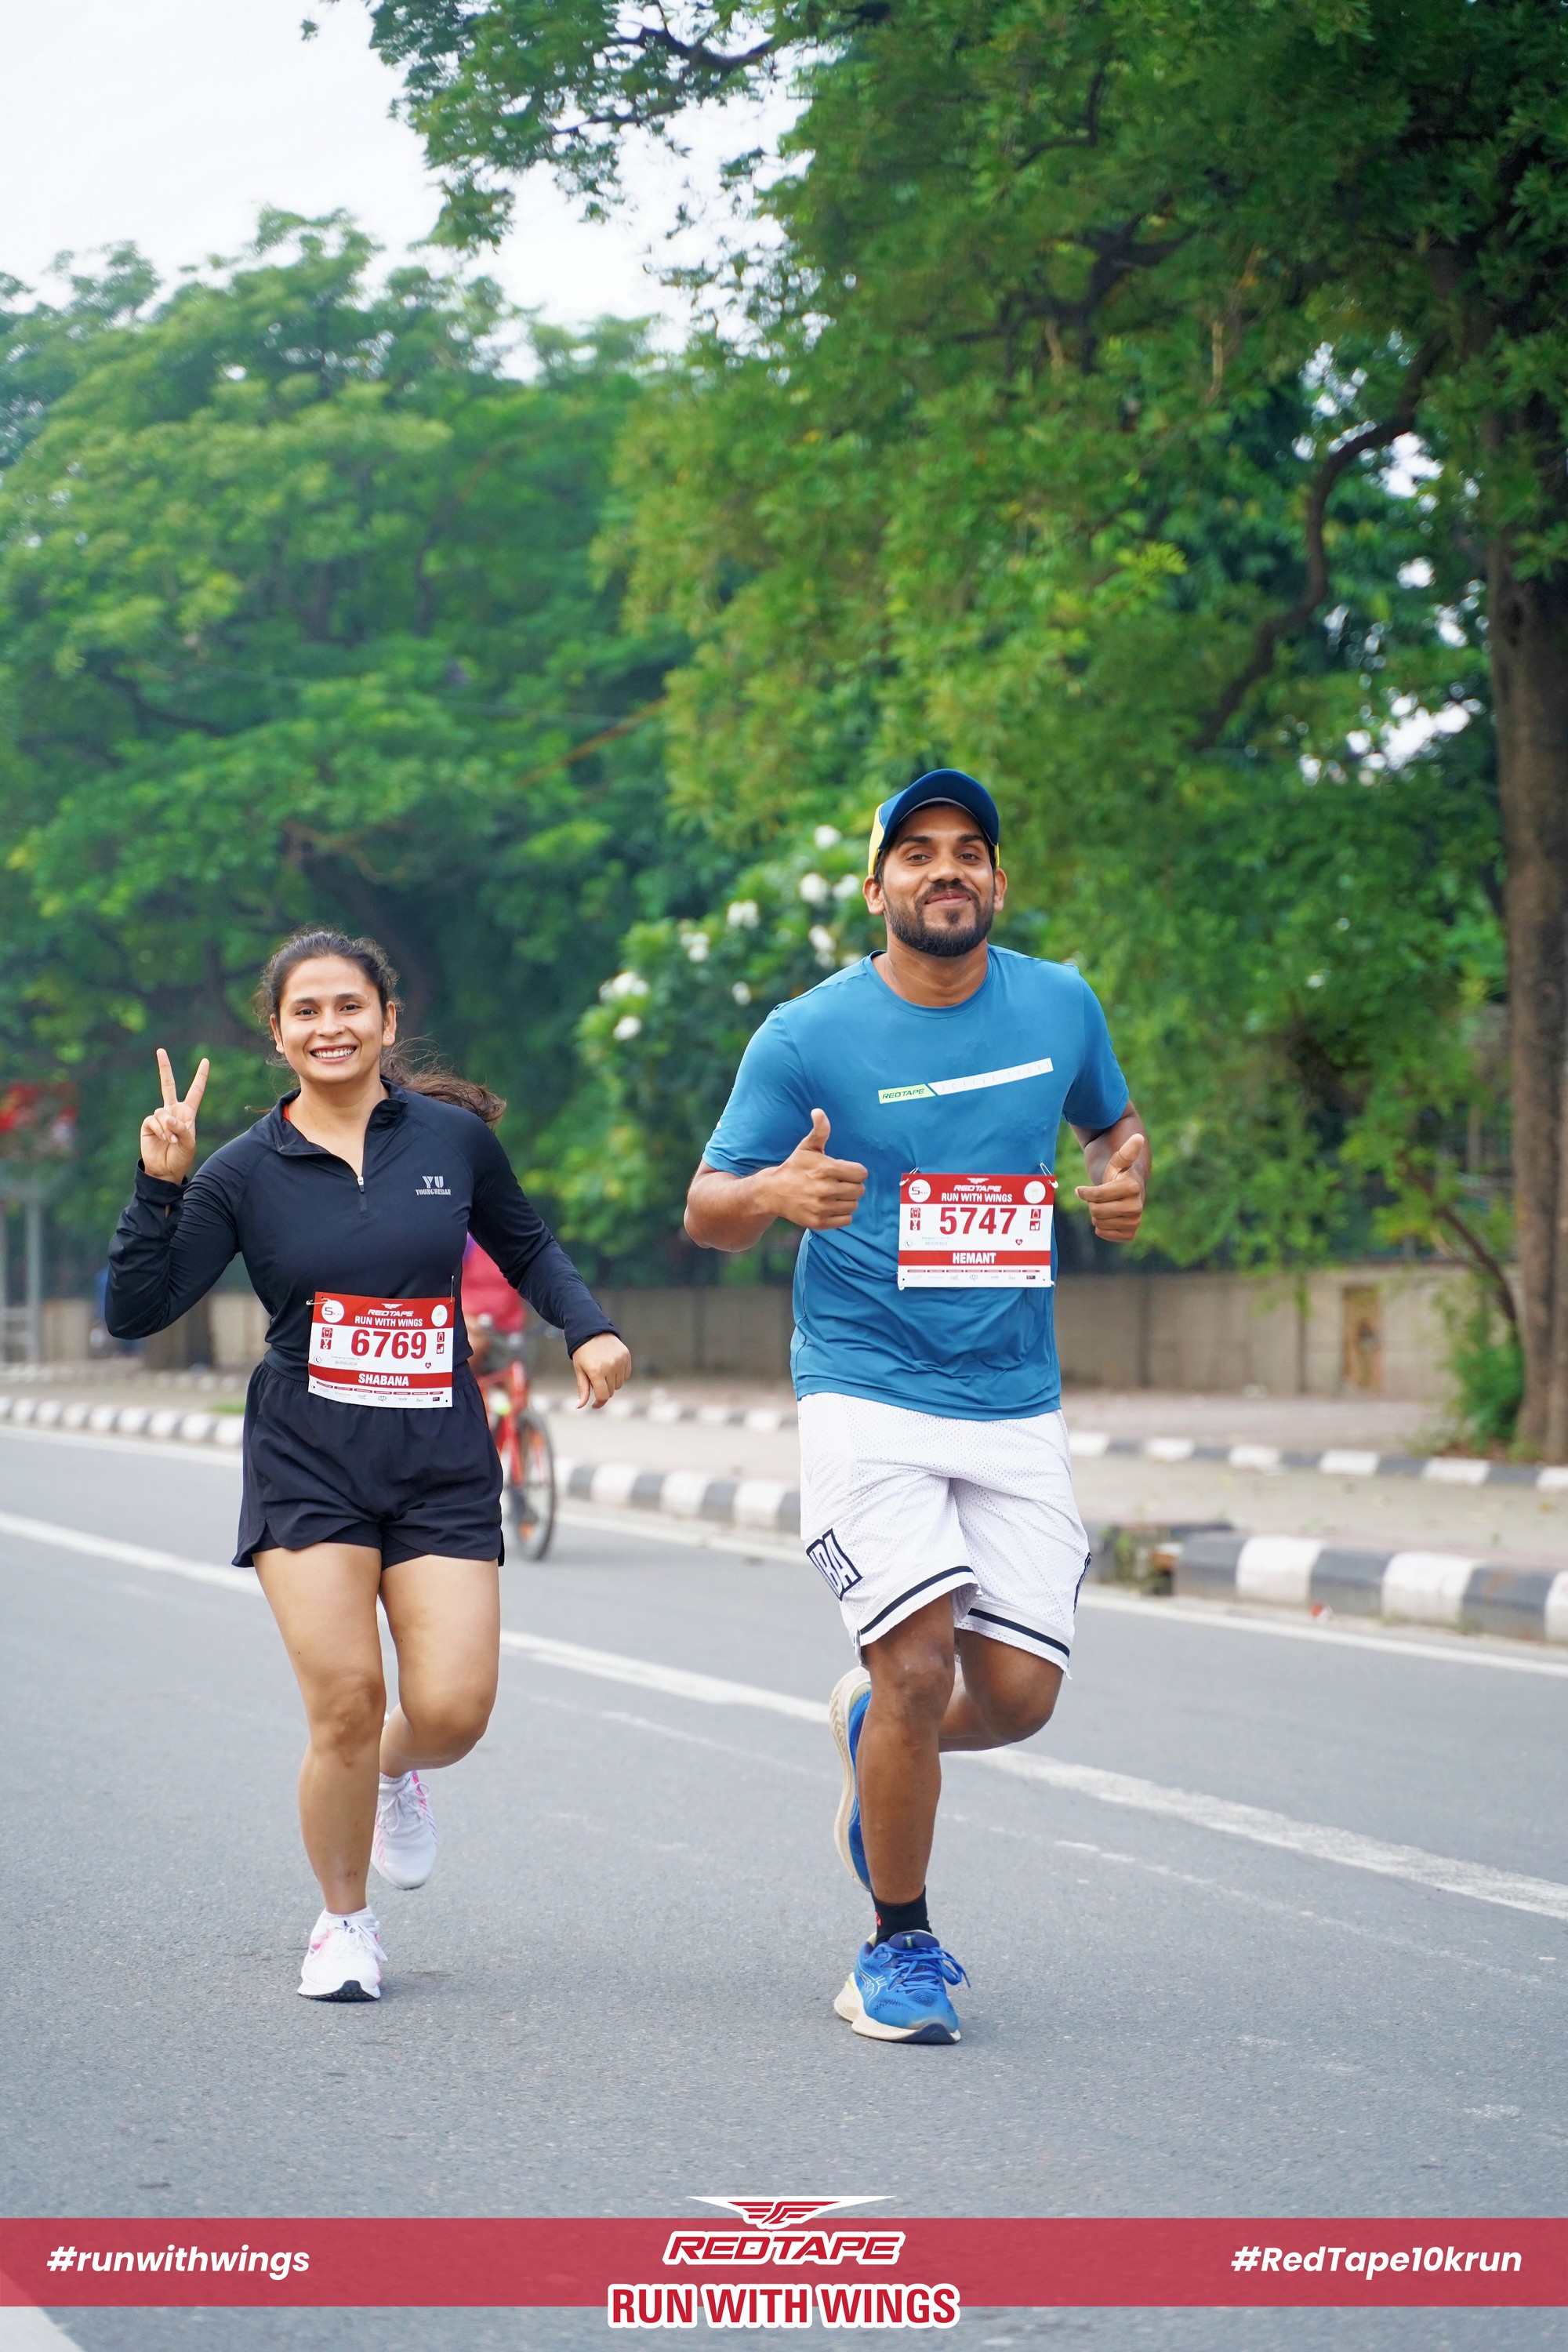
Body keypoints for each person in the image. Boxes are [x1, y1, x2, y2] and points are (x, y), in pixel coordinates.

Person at [684, 771, 1148, 2045]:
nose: (947, 870)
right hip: (865, 1382)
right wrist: (775, 1194)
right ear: (877, 886)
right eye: (919, 852)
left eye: (969, 851)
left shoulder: (1060, 1003)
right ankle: (898, 1945)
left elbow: (1112, 1129)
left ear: (997, 881)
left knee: (1017, 1696)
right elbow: (707, 1208)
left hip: (1013, 1392)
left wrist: (1121, 1181)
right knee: (917, 1666)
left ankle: (871, 1726)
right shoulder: (805, 1035)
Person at [106, 928, 631, 2002]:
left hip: (439, 1451)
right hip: (309, 1455)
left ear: (388, 1021)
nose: (330, 1027)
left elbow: (526, 1244)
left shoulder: (452, 1142)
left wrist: (589, 1327)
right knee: (345, 1700)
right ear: (277, 1035)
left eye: (349, 1006)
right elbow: (138, 1309)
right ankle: (343, 1924)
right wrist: (159, 1188)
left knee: (454, 1712)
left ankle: (397, 1771)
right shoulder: (241, 1171)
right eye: (306, 1011)